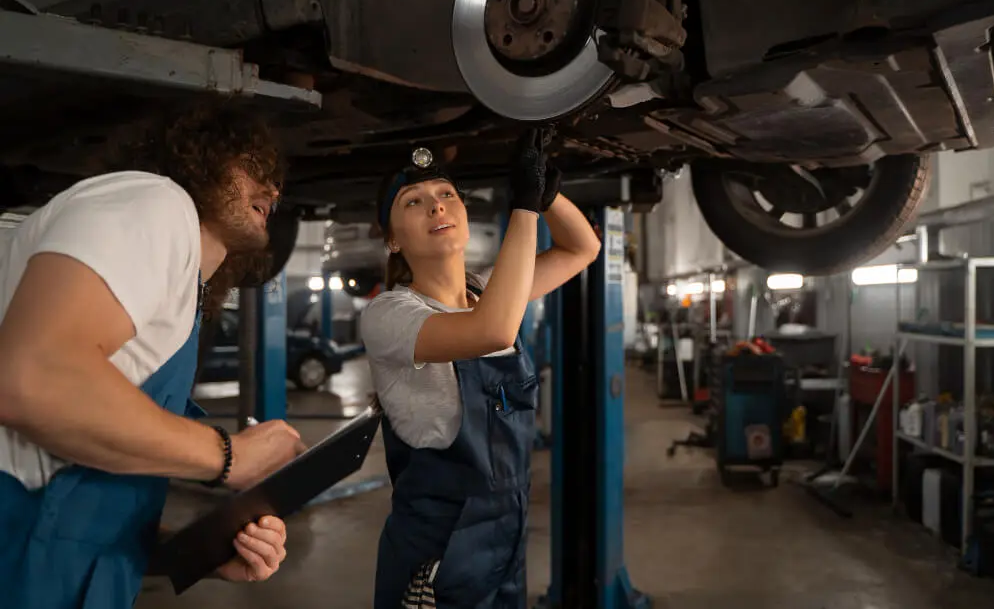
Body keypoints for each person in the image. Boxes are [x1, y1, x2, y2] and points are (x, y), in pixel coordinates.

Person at [0, 100, 308, 608]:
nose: (272, 190)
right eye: (252, 168)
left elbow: (90, 474)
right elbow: (32, 378)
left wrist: (195, 550)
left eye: (275, 180)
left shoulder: (184, 289)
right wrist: (230, 457)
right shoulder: (156, 201)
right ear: (198, 161)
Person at [360, 129, 602, 608]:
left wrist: (549, 196)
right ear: (391, 239)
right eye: (413, 201)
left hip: (502, 540)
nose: (437, 206)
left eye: (447, 194)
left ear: (465, 216)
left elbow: (582, 249)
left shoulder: (487, 292)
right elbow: (491, 330)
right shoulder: (389, 315)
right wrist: (525, 207)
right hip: (437, 554)